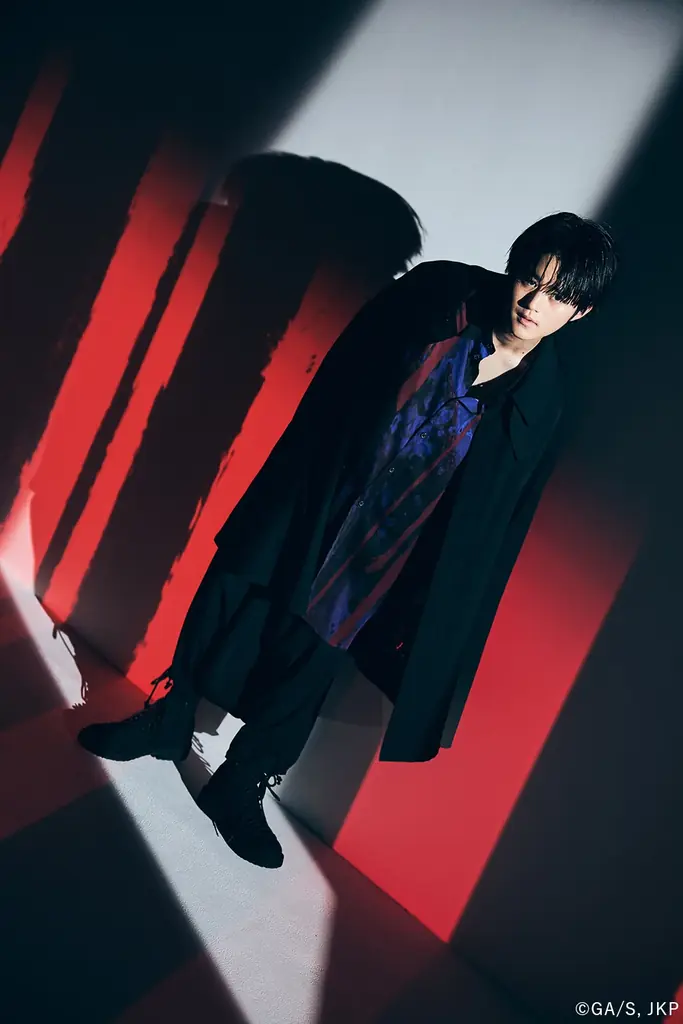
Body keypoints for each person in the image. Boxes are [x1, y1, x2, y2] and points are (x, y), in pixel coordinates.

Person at [78, 211, 618, 870]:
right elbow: (341, 374)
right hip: (321, 490)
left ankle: (242, 781)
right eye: (531, 280)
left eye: (558, 296)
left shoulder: (541, 403)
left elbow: (492, 519)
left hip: (387, 543)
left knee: (313, 656)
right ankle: (170, 718)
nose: (534, 303)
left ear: (580, 312)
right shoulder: (439, 296)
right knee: (232, 593)